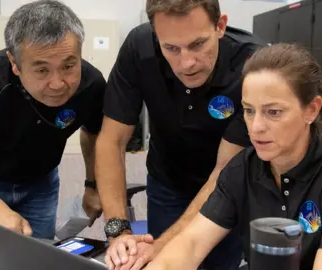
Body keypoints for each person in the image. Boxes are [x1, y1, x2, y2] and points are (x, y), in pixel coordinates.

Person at [145, 43, 322, 270]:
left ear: (311, 109)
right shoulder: (242, 169)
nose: (256, 127)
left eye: (274, 112)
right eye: (249, 111)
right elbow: (191, 243)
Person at [95, 0, 266, 269]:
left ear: (220, 26)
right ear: (155, 36)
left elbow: (225, 169)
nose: (187, 63)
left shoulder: (251, 66)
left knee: (215, 262)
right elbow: (111, 140)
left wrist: (163, 246)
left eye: (198, 44)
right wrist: (119, 232)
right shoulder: (138, 48)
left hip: (228, 184)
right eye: (171, 48)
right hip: (168, 180)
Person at [0, 0, 105, 240]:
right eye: (41, 70)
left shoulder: (92, 85)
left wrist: (92, 185)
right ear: (14, 64)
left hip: (40, 184)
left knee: (35, 257)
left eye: (69, 66)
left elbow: (93, 133)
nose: (58, 84)